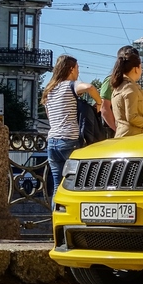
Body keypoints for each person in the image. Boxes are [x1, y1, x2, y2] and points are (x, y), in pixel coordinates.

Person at [41, 54, 102, 202]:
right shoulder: (70, 85)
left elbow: (51, 119)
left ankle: (56, 220)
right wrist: (99, 103)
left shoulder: (49, 91)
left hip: (52, 143)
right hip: (69, 140)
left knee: (57, 185)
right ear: (71, 69)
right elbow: (89, 87)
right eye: (77, 68)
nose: (78, 72)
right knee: (76, 183)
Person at [110, 49, 143, 137]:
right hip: (133, 138)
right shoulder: (130, 88)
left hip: (122, 135)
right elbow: (132, 117)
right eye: (141, 67)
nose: (142, 71)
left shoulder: (118, 86)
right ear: (136, 69)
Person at [100, 45, 140, 138]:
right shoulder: (111, 81)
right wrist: (117, 128)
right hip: (114, 131)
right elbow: (104, 108)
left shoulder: (132, 83)